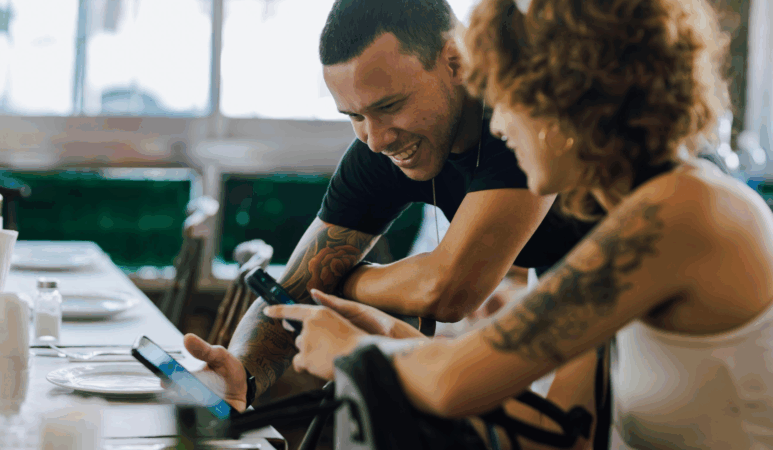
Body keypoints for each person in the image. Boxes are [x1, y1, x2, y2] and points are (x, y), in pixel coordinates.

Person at [264, 0, 773, 448]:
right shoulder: (605, 232)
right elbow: (557, 432)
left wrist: (359, 349)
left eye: (508, 98)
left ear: (572, 96)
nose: (501, 126)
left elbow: (452, 384)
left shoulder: (685, 211)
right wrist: (397, 343)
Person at [182, 0, 596, 413]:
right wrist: (239, 374)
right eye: (354, 116)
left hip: (626, 293)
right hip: (577, 300)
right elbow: (289, 290)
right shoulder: (377, 150)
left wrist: (338, 283)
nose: (376, 139)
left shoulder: (521, 115)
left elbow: (448, 290)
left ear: (454, 61)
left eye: (389, 107)